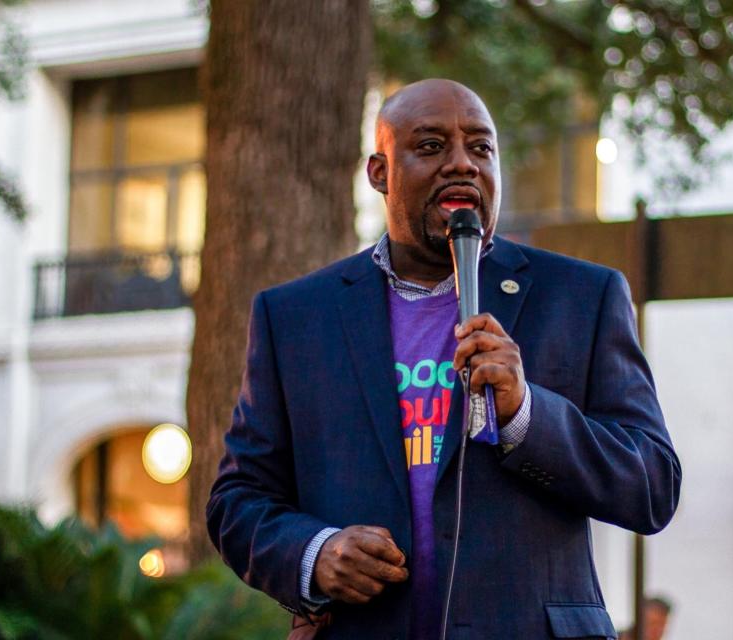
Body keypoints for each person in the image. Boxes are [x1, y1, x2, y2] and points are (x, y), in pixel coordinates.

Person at [206, 78, 682, 639]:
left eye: (481, 148)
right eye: (431, 146)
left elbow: (651, 485)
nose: (462, 164)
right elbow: (237, 500)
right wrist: (314, 554)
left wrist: (525, 413)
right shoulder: (296, 317)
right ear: (380, 172)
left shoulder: (581, 297)